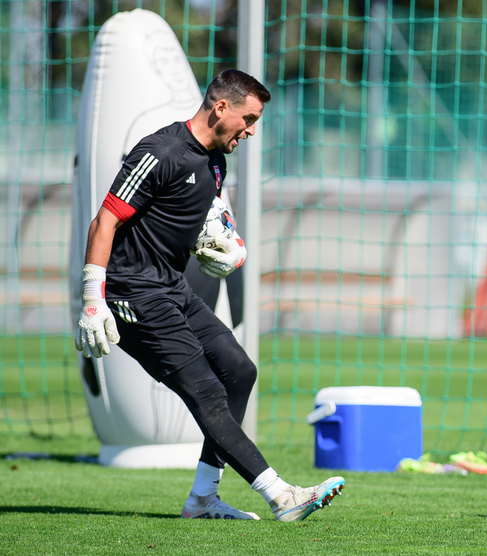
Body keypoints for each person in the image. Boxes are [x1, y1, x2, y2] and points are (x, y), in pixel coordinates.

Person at [75, 69, 345, 521]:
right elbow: (105, 220)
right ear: (221, 107)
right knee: (206, 393)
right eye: (249, 119)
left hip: (171, 287)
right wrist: (92, 297)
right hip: (132, 293)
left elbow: (202, 214)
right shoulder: (160, 151)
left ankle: (203, 499)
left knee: (239, 371)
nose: (252, 131)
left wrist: (220, 241)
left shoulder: (217, 161)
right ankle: (282, 496)